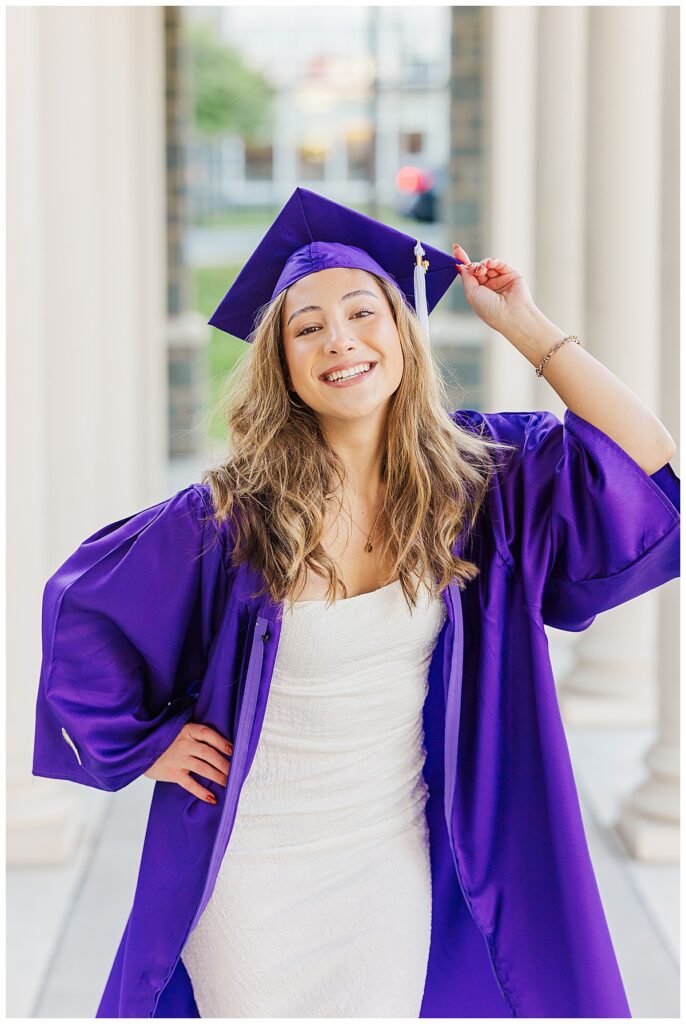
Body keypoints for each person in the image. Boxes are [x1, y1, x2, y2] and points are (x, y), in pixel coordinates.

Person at [32, 187, 680, 1019]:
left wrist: (525, 325)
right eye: (307, 327)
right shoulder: (232, 515)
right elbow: (83, 606)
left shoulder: (481, 484)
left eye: (361, 311)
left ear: (401, 331)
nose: (339, 339)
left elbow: (644, 456)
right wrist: (143, 746)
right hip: (252, 869)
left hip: (387, 861)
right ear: (286, 365)